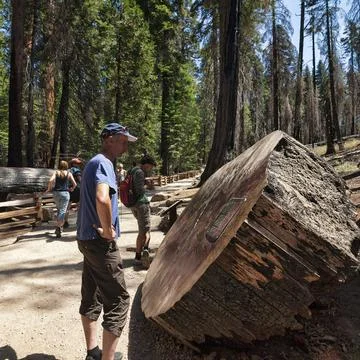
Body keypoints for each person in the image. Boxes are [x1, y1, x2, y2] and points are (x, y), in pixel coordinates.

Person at [76, 123, 137, 360]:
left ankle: (93, 353)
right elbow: (102, 198)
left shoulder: (95, 162)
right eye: (122, 140)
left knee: (91, 296)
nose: (125, 145)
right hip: (99, 243)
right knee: (119, 301)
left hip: (86, 240)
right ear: (109, 139)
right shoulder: (103, 162)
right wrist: (109, 230)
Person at [129, 155, 157, 268]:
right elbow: (139, 190)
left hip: (133, 204)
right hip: (141, 203)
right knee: (145, 231)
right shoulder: (140, 172)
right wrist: (149, 186)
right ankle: (140, 255)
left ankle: (142, 252)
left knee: (142, 228)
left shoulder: (132, 170)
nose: (150, 168)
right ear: (146, 164)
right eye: (150, 166)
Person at [45, 160, 77, 238]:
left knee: (59, 210)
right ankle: (59, 227)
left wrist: (49, 189)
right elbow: (75, 184)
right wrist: (72, 189)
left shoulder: (56, 173)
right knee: (63, 211)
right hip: (65, 194)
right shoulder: (69, 173)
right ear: (66, 166)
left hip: (56, 193)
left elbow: (50, 180)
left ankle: (59, 227)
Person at [64, 157, 83, 228]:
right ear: (74, 164)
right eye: (77, 163)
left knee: (67, 207)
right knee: (80, 205)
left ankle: (65, 222)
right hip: (77, 189)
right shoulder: (77, 170)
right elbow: (80, 180)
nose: (78, 165)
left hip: (69, 189)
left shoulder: (67, 170)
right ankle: (79, 221)